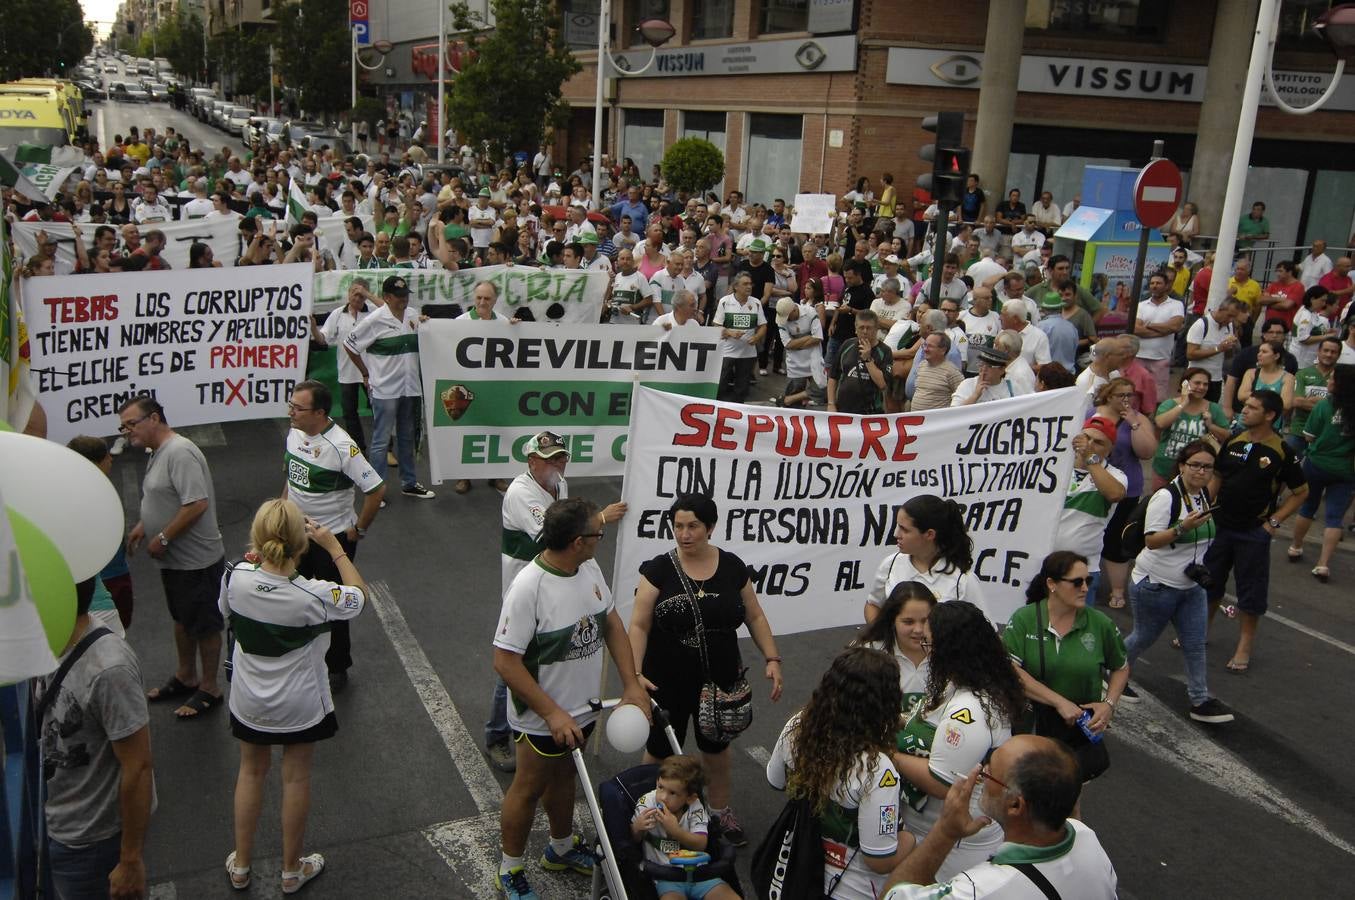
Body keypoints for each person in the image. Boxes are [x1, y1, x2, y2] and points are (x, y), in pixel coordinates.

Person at [495, 498, 651, 900]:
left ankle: (560, 848)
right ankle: (509, 868)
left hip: (581, 709)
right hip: (543, 717)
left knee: (565, 778)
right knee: (528, 788)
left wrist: (631, 683)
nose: (602, 536)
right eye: (597, 532)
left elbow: (611, 623)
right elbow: (505, 662)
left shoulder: (587, 566)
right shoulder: (529, 587)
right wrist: (551, 713)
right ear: (578, 541)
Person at [221, 499, 368, 894]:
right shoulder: (314, 595)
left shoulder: (234, 576)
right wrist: (335, 548)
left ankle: (241, 865)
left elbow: (226, 613)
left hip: (250, 698)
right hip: (300, 702)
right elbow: (359, 596)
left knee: (250, 773)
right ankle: (291, 870)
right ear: (301, 544)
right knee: (295, 778)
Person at [628, 495, 783, 847]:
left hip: (719, 680)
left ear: (710, 527)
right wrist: (635, 674)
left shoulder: (731, 567)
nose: (684, 534)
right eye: (678, 526)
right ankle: (646, 810)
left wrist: (773, 658)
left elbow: (754, 614)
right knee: (659, 749)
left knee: (716, 749)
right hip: (665, 678)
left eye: (693, 526)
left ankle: (719, 810)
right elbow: (637, 625)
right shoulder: (657, 570)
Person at [486, 430, 627, 773]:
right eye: (549, 459)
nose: (557, 464)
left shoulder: (558, 485)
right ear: (532, 461)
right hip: (529, 585)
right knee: (517, 662)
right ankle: (497, 735)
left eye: (562, 457)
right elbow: (553, 535)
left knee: (554, 656)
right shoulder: (521, 493)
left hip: (559, 582)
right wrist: (602, 519)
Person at [880, 737, 1118, 899]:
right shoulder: (1089, 842)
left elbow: (892, 895)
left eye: (990, 772)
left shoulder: (980, 890)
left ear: (1015, 805)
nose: (981, 773)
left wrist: (945, 831)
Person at [766, 647, 917, 899]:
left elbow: (775, 780)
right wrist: (910, 840)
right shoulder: (876, 768)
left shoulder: (797, 726)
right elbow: (879, 860)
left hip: (793, 872)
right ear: (885, 702)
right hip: (849, 888)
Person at [38, 578, 155, 900]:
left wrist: (129, 860)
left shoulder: (109, 669)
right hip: (57, 829)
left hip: (94, 844)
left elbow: (139, 766)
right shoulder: (48, 645)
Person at [892, 601, 1025, 881]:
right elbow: (928, 726)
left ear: (950, 649)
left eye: (929, 644)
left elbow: (942, 782)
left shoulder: (970, 710)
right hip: (929, 828)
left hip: (951, 843)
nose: (926, 652)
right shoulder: (962, 682)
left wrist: (888, 752)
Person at [121, 398, 227, 720]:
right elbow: (165, 496)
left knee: (205, 625)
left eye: (131, 424)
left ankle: (209, 688)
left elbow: (196, 504)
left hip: (196, 562)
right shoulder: (157, 452)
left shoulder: (179, 452)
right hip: (176, 563)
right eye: (123, 427)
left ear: (154, 418)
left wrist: (164, 536)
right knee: (182, 619)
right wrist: (145, 524)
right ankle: (186, 676)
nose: (127, 432)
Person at [1122, 441, 1236, 722]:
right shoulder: (1166, 496)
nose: (1201, 471)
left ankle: (1200, 700)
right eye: (1195, 465)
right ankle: (1110, 671)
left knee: (1195, 643)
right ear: (1182, 466)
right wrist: (1182, 527)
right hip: (1156, 584)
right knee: (1143, 637)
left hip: (1190, 584)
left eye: (1207, 466)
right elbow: (1151, 541)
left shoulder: (1204, 496)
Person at [283, 380, 386, 692]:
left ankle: (336, 666)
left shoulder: (342, 446)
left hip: (331, 540)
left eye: (298, 408)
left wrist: (358, 530)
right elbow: (290, 476)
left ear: (320, 412)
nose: (291, 412)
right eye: (291, 405)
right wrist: (282, 512)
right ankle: (301, 654)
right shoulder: (294, 431)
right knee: (294, 595)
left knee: (333, 604)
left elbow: (376, 489)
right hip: (295, 533)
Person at [1204, 391, 1308, 672]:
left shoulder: (1283, 451)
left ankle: (1244, 647)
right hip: (1221, 526)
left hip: (1253, 532)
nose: (1244, 411)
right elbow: (1218, 476)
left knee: (1250, 591)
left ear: (1270, 415)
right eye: (1245, 406)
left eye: (1252, 407)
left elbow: (1301, 493)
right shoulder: (1234, 442)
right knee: (1209, 582)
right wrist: (1206, 511)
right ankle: (1201, 632)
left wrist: (1272, 523)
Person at [1004, 551, 1130, 781]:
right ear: (1051, 584)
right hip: (1031, 727)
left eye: (1088, 581)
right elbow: (1011, 671)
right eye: (1077, 582)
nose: (1085, 588)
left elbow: (1121, 667)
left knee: (1067, 798)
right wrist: (1059, 702)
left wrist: (1109, 704)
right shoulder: (1024, 619)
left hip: (1075, 733)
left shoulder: (1100, 624)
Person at [343, 275, 436, 499]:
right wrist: (366, 372)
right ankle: (376, 489)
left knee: (406, 436)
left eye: (406, 296)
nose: (404, 300)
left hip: (410, 388)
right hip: (385, 389)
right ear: (386, 297)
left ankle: (409, 482)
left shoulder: (413, 316)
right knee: (381, 440)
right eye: (399, 297)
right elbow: (350, 345)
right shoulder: (374, 321)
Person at [631, 755, 739, 900]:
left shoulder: (694, 807)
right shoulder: (647, 803)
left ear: (689, 798)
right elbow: (633, 839)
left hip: (699, 873)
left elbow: (701, 844)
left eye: (672, 793)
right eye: (660, 787)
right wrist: (637, 827)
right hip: (666, 878)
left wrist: (676, 831)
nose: (663, 797)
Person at [865, 495, 985, 624]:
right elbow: (873, 605)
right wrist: (883, 638)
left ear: (929, 534)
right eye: (898, 526)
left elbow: (985, 631)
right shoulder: (890, 564)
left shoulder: (964, 581)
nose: (896, 534)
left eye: (904, 529)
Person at [1286, 364, 1355, 582]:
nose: (1329, 382)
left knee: (1307, 507)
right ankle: (1323, 564)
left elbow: (1308, 436)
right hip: (1345, 469)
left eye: (1333, 379)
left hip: (1317, 464)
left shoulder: (1323, 407)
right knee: (1335, 517)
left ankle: (1296, 546)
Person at [1093, 379, 1158, 607]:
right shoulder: (1092, 414)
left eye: (1130, 395)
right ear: (1108, 396)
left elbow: (1147, 452)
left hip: (1126, 489)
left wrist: (1134, 424)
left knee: (1116, 540)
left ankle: (1118, 590)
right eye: (1121, 395)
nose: (1127, 400)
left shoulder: (1137, 419)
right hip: (1091, 485)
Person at [1053, 415, 1128, 602]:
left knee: (1079, 629)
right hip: (1044, 565)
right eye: (1086, 438)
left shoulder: (1116, 476)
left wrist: (1089, 457)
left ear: (1109, 450)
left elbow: (1115, 494)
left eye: (1098, 442)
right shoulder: (1055, 467)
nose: (1089, 444)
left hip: (1083, 569)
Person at [313, 279, 376, 454]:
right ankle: (359, 448)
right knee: (349, 412)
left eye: (360, 294)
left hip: (370, 372)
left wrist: (368, 295)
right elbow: (323, 339)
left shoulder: (373, 312)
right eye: (353, 293)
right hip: (347, 372)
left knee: (378, 412)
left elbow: (389, 311)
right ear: (348, 293)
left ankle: (386, 449)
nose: (356, 298)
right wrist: (313, 328)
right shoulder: (337, 314)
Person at [853, 581, 937, 709]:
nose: (919, 630)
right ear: (892, 621)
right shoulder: (869, 655)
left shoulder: (948, 656)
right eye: (908, 622)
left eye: (925, 621)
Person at [1151, 367, 1232, 491]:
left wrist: (1211, 426)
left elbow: (1227, 436)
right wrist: (1183, 404)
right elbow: (1161, 423)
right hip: (1165, 468)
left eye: (1205, 384)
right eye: (1197, 383)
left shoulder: (1214, 408)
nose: (1201, 387)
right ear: (1185, 383)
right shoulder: (1169, 404)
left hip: (1196, 473)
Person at [712, 271, 766, 403]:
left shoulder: (756, 303)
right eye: (745, 284)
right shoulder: (725, 302)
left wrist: (757, 337)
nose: (749, 287)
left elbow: (763, 326)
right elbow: (716, 325)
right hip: (727, 351)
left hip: (747, 353)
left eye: (750, 284)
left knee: (742, 388)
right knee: (721, 384)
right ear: (736, 286)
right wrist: (730, 333)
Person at [828, 309, 891, 414]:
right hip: (843, 410)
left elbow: (882, 384)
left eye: (869, 328)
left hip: (870, 412)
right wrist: (831, 404)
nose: (865, 331)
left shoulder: (885, 351)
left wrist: (868, 359)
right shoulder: (847, 344)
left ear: (876, 329)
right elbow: (833, 377)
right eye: (861, 327)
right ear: (855, 328)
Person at [1288, 336, 1343, 456]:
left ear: (1339, 355)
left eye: (1333, 352)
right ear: (1319, 352)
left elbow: (1343, 406)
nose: (1329, 354)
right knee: (1289, 468)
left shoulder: (1342, 377)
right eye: (1326, 350)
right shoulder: (1303, 374)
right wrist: (1328, 405)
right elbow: (1297, 402)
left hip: (1327, 433)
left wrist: (1311, 401)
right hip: (1299, 430)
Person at [1185, 297, 1245, 400]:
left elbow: (1227, 356)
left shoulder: (1229, 326)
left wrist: (1230, 347)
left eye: (1234, 317)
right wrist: (1218, 348)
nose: (1231, 320)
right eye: (1229, 315)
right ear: (1221, 309)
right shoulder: (1201, 325)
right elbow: (1190, 354)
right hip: (1197, 378)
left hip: (1216, 378)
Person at [774, 295, 827, 409]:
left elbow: (818, 338)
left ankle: (789, 399)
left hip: (814, 357)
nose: (786, 320)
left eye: (788, 316)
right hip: (795, 361)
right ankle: (793, 401)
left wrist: (796, 343)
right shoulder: (781, 319)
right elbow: (787, 344)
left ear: (794, 309)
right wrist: (808, 337)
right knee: (794, 389)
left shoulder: (810, 312)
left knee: (821, 389)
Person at [1235, 339, 1296, 429]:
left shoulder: (1288, 377)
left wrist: (1256, 394)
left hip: (1271, 427)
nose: (1259, 354)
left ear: (1276, 356)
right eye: (1259, 351)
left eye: (1264, 352)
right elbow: (1241, 395)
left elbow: (1286, 404)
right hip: (1246, 425)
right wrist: (1272, 396)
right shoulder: (1251, 373)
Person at [905, 330, 964, 412]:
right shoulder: (922, 365)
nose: (925, 349)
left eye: (930, 346)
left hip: (937, 422)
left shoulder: (952, 372)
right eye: (924, 345)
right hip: (917, 421)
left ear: (943, 350)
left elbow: (963, 397)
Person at [952, 346, 1023, 406]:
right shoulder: (968, 384)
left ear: (1002, 370)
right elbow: (954, 414)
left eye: (989, 366)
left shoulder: (1013, 387)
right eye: (981, 365)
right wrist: (975, 396)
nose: (983, 369)